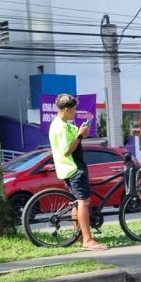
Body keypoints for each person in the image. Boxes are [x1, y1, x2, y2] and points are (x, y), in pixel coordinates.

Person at [48, 94, 106, 250]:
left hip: (68, 168)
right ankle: (88, 240)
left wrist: (80, 133)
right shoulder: (60, 127)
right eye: (73, 109)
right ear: (66, 109)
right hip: (73, 168)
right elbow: (67, 150)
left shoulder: (61, 124)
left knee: (76, 203)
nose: (75, 112)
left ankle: (79, 235)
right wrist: (80, 135)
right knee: (84, 203)